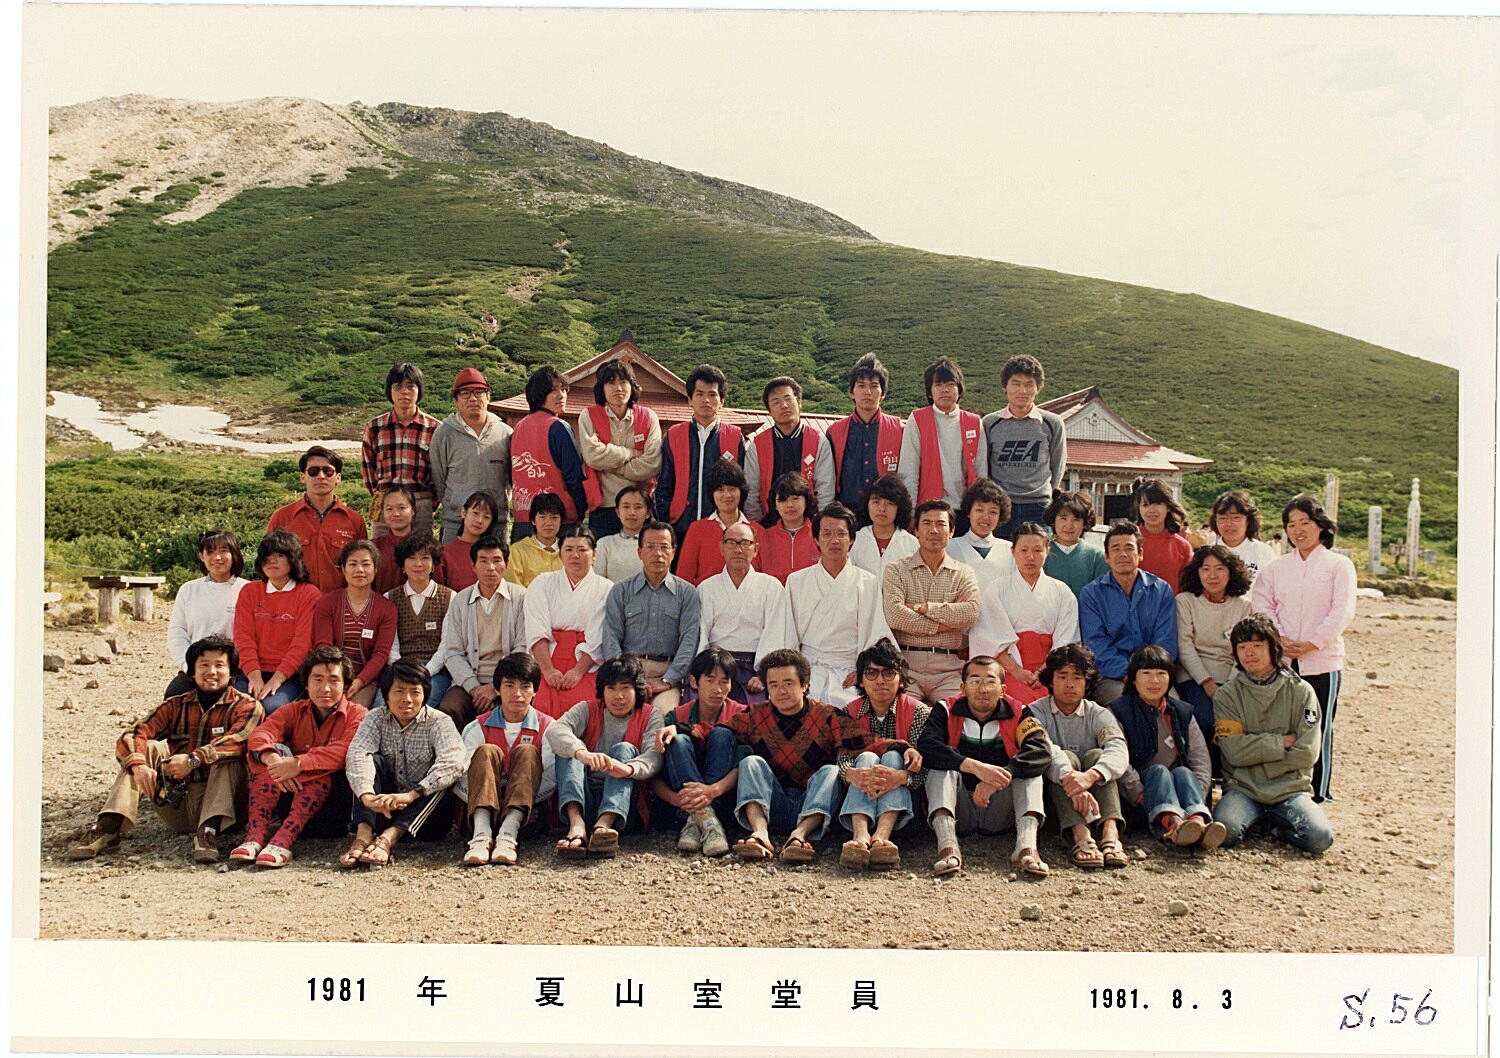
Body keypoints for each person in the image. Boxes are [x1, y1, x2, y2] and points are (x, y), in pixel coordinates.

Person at [67, 635, 263, 864]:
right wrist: (138, 766)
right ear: (192, 672)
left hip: (226, 809)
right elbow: (132, 733)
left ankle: (208, 832)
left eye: (219, 665)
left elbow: (239, 741)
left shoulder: (248, 706)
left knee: (227, 756)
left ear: (232, 673)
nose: (211, 672)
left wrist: (192, 760)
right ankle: (108, 827)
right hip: (179, 800)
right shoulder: (176, 705)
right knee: (146, 748)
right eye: (204, 665)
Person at [1249, 493, 1356, 802]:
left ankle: (1318, 792)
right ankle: (1282, 789)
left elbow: (1342, 610)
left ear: (1320, 525)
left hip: (1322, 660)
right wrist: (1279, 638)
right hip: (1282, 659)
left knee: (1318, 726)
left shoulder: (1339, 565)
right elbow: (1263, 604)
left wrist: (1313, 642)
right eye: (1291, 524)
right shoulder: (1277, 568)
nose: (1298, 530)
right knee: (1282, 725)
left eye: (1305, 522)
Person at [916, 655, 1054, 877]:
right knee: (940, 767)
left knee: (1030, 772)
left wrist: (1001, 777)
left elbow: (1040, 749)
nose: (982, 688)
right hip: (959, 808)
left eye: (990, 681)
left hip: (1000, 808)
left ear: (1003, 689)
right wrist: (975, 767)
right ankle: (947, 846)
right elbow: (927, 746)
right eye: (975, 681)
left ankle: (1026, 848)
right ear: (963, 687)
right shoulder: (945, 709)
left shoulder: (1019, 712)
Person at [232, 646, 368, 867]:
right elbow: (260, 734)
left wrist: (299, 764)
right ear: (306, 683)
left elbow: (345, 750)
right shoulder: (293, 710)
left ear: (345, 685)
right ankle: (255, 835)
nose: (325, 688)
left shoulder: (358, 714)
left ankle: (284, 840)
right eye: (318, 679)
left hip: (334, 808)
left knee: (319, 770)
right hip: (292, 797)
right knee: (270, 757)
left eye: (334, 680)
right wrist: (273, 760)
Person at [723, 649, 863, 863]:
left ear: (804, 685)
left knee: (831, 771)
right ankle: (760, 834)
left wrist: (903, 748)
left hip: (812, 806)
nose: (781, 691)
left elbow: (865, 742)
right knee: (750, 762)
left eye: (788, 683)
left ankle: (799, 836)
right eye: (774, 685)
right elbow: (713, 730)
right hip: (771, 804)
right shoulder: (754, 714)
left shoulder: (828, 715)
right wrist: (677, 728)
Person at [1212, 615, 1333, 853]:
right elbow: (1233, 752)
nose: (1249, 653)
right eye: (1242, 647)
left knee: (1319, 838)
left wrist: (1254, 750)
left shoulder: (1301, 692)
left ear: (1273, 648)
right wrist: (1282, 742)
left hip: (1290, 789)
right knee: (1225, 831)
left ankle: (1275, 827)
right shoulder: (1227, 695)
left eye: (1257, 645)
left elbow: (1307, 754)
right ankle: (1261, 822)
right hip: (1244, 788)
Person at [340, 660, 465, 867]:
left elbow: (454, 762)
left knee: (444, 778)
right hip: (384, 808)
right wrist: (367, 796)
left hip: (426, 818)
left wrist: (412, 795)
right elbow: (357, 753)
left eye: (415, 692)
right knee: (368, 762)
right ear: (387, 695)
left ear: (425, 695)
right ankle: (363, 835)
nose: (407, 699)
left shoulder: (439, 721)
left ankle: (389, 838)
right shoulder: (375, 718)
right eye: (399, 691)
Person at [545, 654, 666, 858]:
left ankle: (604, 826)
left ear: (637, 690)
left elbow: (654, 756)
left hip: (624, 804)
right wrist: (582, 753)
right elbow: (555, 730)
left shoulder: (650, 715)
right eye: (611, 688)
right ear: (603, 691)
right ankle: (576, 824)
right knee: (569, 749)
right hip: (585, 797)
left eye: (625, 688)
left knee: (624, 749)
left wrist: (627, 768)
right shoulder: (587, 709)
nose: (619, 696)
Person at [1108, 645, 1223, 849]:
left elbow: (1200, 758)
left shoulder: (1183, 711)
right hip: (1142, 799)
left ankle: (1197, 822)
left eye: (1161, 673)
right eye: (1146, 673)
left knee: (1183, 772)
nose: (1155, 680)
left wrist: (1199, 791)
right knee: (1159, 772)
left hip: (1183, 794)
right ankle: (1174, 825)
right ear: (1133, 679)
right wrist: (1140, 795)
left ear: (1170, 678)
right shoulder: (1118, 711)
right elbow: (1118, 760)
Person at [783, 503, 893, 707]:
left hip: (850, 671)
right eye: (827, 534)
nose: (834, 540)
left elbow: (875, 633)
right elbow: (786, 633)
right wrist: (793, 672)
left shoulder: (867, 582)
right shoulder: (796, 581)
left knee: (854, 712)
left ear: (851, 539)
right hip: (807, 670)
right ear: (816, 539)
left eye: (841, 534)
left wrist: (864, 671)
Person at [1032, 643, 1130, 870]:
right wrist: (1072, 779)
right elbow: (1044, 748)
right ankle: (1080, 834)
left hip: (1095, 798)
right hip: (1055, 800)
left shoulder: (1099, 713)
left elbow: (1118, 748)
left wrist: (1091, 776)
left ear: (1087, 682)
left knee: (1098, 755)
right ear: (1050, 680)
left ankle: (1110, 831)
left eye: (1077, 677)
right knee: (1064, 757)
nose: (1070, 684)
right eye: (1062, 676)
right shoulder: (1036, 711)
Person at [456, 652, 557, 866]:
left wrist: (516, 804)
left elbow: (551, 776)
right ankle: (481, 838)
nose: (517, 694)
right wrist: (495, 803)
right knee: (486, 751)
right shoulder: (476, 727)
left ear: (535, 691)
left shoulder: (548, 727)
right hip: (481, 812)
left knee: (528, 752)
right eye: (509, 685)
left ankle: (507, 836)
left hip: (527, 816)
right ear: (497, 689)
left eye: (525, 686)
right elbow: (460, 775)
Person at [836, 639, 928, 870]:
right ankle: (860, 835)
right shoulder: (849, 712)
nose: (880, 680)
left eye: (888, 673)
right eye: (871, 673)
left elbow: (928, 763)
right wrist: (850, 774)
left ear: (901, 680)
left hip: (907, 809)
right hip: (859, 795)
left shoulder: (918, 712)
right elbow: (843, 755)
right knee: (866, 758)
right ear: (860, 680)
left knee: (894, 758)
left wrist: (903, 777)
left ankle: (882, 836)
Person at [651, 647, 748, 857]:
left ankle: (697, 823)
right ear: (695, 682)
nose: (717, 689)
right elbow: (655, 771)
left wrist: (711, 791)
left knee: (722, 734)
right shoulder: (676, 716)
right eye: (710, 680)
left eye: (724, 681)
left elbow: (744, 765)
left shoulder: (741, 715)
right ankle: (707, 821)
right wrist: (674, 798)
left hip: (723, 797)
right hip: (681, 802)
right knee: (678, 740)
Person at [882, 500, 980, 705]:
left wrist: (923, 608)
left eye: (940, 524)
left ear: (951, 531)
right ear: (916, 531)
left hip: (950, 667)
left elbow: (971, 612)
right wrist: (944, 625)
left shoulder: (963, 572)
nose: (933, 530)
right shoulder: (896, 569)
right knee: (900, 714)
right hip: (905, 664)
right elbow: (895, 615)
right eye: (926, 523)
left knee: (959, 712)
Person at [971, 522, 1079, 706]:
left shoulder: (1062, 592)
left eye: (1037, 550)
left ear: (1047, 551)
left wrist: (1044, 671)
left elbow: (1066, 640)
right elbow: (988, 638)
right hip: (1006, 668)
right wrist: (1016, 671)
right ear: (1013, 551)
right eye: (1023, 550)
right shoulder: (997, 589)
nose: (1030, 557)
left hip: (1052, 669)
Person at [599, 521, 702, 714]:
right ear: (639, 552)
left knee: (663, 716)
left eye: (664, 547)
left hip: (666, 674)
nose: (658, 554)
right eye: (651, 547)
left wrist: (668, 680)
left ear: (673, 552)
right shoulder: (621, 590)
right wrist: (625, 677)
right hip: (628, 673)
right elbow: (611, 636)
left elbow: (689, 641)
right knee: (621, 713)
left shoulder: (687, 593)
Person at [431, 534, 529, 729]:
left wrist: (495, 687)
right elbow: (452, 651)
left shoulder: (521, 597)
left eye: (496, 560)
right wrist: (474, 688)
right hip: (469, 680)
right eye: (483, 561)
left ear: (506, 564)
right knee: (449, 710)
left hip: (509, 680)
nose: (490, 568)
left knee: (508, 712)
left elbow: (523, 648)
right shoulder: (461, 600)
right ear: (473, 566)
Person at [1078, 521, 1178, 704]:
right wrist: (1131, 674)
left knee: (1175, 707)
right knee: (1128, 704)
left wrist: (1147, 674)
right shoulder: (1091, 594)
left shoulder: (1161, 590)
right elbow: (1096, 646)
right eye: (1115, 549)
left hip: (1155, 674)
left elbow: (1166, 641)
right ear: (1107, 557)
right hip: (1112, 677)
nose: (1123, 554)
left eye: (1129, 548)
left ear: (1140, 554)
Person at [695, 520, 791, 703]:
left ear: (756, 549)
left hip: (753, 668)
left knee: (758, 712)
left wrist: (764, 673)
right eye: (731, 543)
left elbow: (775, 633)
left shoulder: (771, 586)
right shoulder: (706, 588)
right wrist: (700, 672)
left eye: (745, 543)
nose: (738, 550)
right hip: (714, 666)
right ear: (722, 548)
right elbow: (701, 636)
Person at [524, 525, 613, 718]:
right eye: (569, 549)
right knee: (542, 709)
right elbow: (536, 629)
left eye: (582, 550)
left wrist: (578, 671)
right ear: (560, 554)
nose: (575, 556)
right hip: (548, 657)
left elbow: (599, 635)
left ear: (594, 555)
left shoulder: (606, 588)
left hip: (587, 662)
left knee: (586, 710)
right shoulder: (542, 583)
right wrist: (548, 670)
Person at [1174, 544, 1255, 755]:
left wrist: (1229, 684)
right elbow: (1184, 646)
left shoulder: (1244, 606)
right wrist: (1207, 682)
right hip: (1194, 676)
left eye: (1220, 569)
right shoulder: (1185, 601)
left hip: (1232, 677)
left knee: (1240, 722)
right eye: (1205, 569)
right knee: (1205, 720)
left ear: (1231, 571)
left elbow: (1244, 650)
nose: (1212, 575)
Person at [232, 530, 323, 714]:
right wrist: (254, 676)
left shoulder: (309, 594)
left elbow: (302, 644)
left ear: (293, 559)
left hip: (291, 675)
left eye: (279, 555)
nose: (272, 561)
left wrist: (277, 679)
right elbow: (243, 637)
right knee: (239, 707)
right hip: (251, 671)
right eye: (267, 556)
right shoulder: (249, 591)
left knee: (270, 708)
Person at [654, 364, 745, 545]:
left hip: (721, 526)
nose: (706, 400)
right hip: (680, 525)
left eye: (712, 394)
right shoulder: (674, 435)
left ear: (722, 401)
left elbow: (742, 485)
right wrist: (667, 521)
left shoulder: (734, 436)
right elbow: (664, 483)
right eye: (700, 394)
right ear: (690, 400)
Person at [981, 354, 1067, 540]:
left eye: (1029, 384)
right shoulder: (990, 423)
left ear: (1037, 388)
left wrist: (1045, 493)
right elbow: (984, 466)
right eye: (1016, 383)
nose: (1022, 390)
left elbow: (1058, 465)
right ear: (1005, 387)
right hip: (1001, 506)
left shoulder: (1052, 423)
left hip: (1039, 507)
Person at [577, 357, 662, 538]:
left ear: (632, 386)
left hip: (639, 507)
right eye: (611, 383)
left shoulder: (649, 417)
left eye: (623, 382)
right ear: (602, 388)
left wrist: (610, 464)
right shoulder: (589, 415)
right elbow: (592, 456)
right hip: (604, 506)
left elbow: (652, 464)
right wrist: (630, 453)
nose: (618, 388)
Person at [266, 446, 369, 593]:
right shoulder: (282, 518)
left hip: (340, 601)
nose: (321, 476)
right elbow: (269, 563)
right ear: (303, 477)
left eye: (328, 471)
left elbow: (363, 566)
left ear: (338, 478)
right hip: (295, 601)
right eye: (313, 471)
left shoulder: (355, 520)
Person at [430, 366, 511, 544]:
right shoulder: (443, 434)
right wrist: (455, 503)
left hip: (496, 524)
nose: (473, 398)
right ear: (456, 400)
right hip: (455, 523)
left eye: (479, 392)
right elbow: (439, 480)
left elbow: (510, 479)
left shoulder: (505, 433)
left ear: (488, 396)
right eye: (465, 393)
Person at [312, 540, 397, 708]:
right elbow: (323, 646)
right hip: (330, 673)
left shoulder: (387, 608)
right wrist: (336, 678)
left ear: (375, 569)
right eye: (352, 564)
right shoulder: (327, 603)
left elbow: (381, 654)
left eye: (366, 564)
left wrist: (360, 681)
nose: (359, 570)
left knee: (355, 711)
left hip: (367, 679)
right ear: (343, 569)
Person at [815, 353, 904, 512]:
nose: (868, 392)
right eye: (861, 386)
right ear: (851, 392)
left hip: (886, 513)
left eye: (874, 386)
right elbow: (826, 478)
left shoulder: (899, 429)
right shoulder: (835, 432)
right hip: (846, 512)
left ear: (883, 393)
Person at [361, 361, 440, 540]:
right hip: (384, 502)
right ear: (390, 391)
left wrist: (429, 503)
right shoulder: (375, 427)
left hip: (420, 502)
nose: (404, 392)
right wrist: (383, 499)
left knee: (421, 552)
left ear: (419, 390)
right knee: (382, 552)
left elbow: (440, 474)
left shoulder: (434, 428)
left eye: (410, 386)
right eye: (398, 386)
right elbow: (368, 470)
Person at [165, 529, 248, 698]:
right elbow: (177, 632)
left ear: (234, 554)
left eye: (223, 551)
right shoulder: (189, 590)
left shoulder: (248, 589)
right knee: (174, 696)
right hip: (197, 668)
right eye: (210, 552)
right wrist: (189, 667)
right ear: (202, 556)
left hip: (237, 670)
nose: (217, 557)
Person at [899, 358, 986, 517]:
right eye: (938, 385)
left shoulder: (974, 422)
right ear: (929, 391)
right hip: (928, 508)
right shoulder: (917, 419)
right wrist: (909, 513)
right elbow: (908, 470)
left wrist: (980, 511)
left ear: (959, 389)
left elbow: (981, 471)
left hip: (965, 509)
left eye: (950, 384)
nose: (945, 389)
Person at [510, 365, 588, 540]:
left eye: (564, 389)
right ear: (539, 394)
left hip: (523, 518)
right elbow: (574, 476)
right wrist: (581, 510)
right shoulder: (558, 426)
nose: (561, 395)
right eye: (553, 390)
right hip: (558, 520)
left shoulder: (518, 428)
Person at [743, 376, 824, 527]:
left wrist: (819, 524)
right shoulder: (758, 444)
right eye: (776, 402)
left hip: (810, 524)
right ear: (769, 411)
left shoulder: (818, 440)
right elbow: (751, 489)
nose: (784, 405)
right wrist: (757, 524)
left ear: (799, 402)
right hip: (769, 522)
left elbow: (825, 488)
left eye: (788, 399)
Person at [386, 535, 455, 707]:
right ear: (402, 565)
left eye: (425, 558)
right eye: (411, 558)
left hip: (435, 671)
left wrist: (426, 671)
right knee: (385, 706)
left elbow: (447, 645)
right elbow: (391, 646)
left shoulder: (450, 597)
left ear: (434, 564)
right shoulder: (390, 598)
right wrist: (403, 671)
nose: (418, 564)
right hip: (400, 669)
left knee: (421, 705)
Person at [675, 460, 764, 585]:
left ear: (741, 491)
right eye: (720, 490)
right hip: (706, 596)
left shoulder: (758, 530)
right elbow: (684, 578)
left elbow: (765, 578)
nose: (727, 495)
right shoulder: (697, 529)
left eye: (732, 489)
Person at [946, 479, 1015, 592]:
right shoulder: (950, 548)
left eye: (993, 512)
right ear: (969, 512)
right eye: (979, 510)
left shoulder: (1010, 550)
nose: (985, 517)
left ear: (1000, 516)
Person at [850, 474, 919, 578]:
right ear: (867, 504)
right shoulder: (854, 540)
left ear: (899, 508)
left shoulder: (912, 544)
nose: (882, 509)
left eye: (890, 503)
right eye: (876, 502)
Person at [1132, 477, 1193, 594]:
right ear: (1139, 508)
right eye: (1145, 505)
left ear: (1168, 506)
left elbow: (1188, 587)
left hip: (1172, 604)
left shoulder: (1182, 546)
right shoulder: (1129, 541)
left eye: (1158, 504)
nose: (1152, 510)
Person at [1043, 489, 1109, 596]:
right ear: (1053, 520)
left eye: (1076, 519)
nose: (1069, 525)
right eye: (1063, 518)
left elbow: (1102, 595)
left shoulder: (1096, 556)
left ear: (1085, 523)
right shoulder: (1041, 552)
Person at [757, 471, 818, 584]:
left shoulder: (820, 534)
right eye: (783, 500)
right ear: (775, 505)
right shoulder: (762, 538)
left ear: (806, 500)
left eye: (795, 498)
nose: (789, 505)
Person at [372, 486, 433, 594]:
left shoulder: (427, 547)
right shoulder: (373, 547)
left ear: (413, 510)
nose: (396, 514)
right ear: (382, 512)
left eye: (402, 508)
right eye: (389, 509)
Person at [1208, 489, 1277, 582]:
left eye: (1236, 517)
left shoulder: (1264, 552)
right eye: (1222, 518)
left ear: (1248, 520)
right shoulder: (1207, 552)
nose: (1229, 523)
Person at [440, 489, 501, 591]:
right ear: (463, 512)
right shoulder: (445, 552)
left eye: (486, 517)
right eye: (475, 513)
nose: (479, 520)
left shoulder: (495, 553)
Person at [504, 492, 566, 588]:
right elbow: (513, 588)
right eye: (542, 517)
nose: (549, 523)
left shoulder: (569, 550)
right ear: (533, 520)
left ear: (561, 521)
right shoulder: (517, 551)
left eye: (554, 517)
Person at [594, 485, 650, 582]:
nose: (632, 512)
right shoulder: (604, 544)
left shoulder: (656, 544)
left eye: (638, 507)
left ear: (648, 513)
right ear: (618, 512)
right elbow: (597, 582)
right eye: (626, 507)